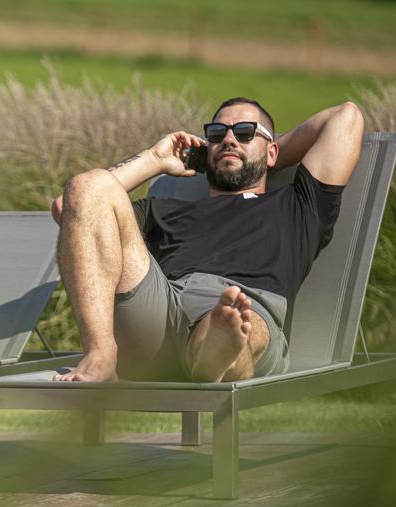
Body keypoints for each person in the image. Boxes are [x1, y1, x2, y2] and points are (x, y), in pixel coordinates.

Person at [49, 97, 364, 383]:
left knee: (243, 321)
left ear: (272, 151)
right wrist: (154, 159)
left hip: (248, 302)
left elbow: (345, 118)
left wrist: (266, 157)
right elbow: (71, 207)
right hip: (158, 305)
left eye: (244, 132)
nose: (228, 139)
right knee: (87, 184)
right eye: (217, 134)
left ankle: (216, 351)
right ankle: (101, 355)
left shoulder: (298, 205)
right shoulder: (164, 209)